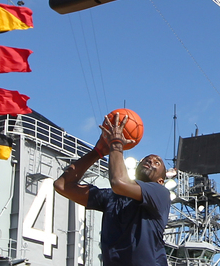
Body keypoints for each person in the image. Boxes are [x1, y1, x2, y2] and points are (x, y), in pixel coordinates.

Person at [54, 113, 171, 266]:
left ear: (160, 181)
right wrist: (98, 152)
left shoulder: (160, 193)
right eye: (146, 159)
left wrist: (116, 143)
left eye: (157, 162)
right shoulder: (112, 196)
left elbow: (118, 182)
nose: (150, 160)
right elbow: (63, 186)